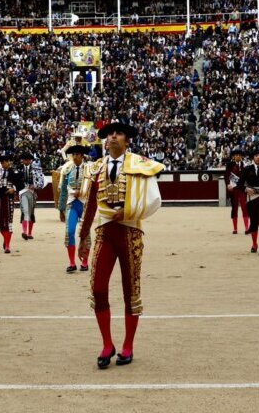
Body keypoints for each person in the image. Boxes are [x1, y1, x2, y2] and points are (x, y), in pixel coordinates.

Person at [78, 121, 164, 369]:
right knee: (98, 289)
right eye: (110, 134)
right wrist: (83, 236)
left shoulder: (140, 164)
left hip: (130, 232)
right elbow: (90, 205)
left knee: (131, 290)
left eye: (118, 134)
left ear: (127, 140)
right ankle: (107, 344)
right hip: (105, 232)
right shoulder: (95, 167)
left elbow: (154, 200)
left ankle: (128, 345)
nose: (113, 137)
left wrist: (127, 212)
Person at [57, 144, 94, 273]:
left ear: (82, 156)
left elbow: (93, 188)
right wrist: (61, 209)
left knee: (85, 233)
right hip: (71, 204)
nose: (74, 157)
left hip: (85, 205)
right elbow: (63, 190)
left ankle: (84, 262)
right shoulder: (67, 169)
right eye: (73, 154)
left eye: (77, 154)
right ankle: (72, 263)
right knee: (70, 232)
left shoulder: (90, 169)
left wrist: (83, 193)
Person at [17, 149, 46, 240]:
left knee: (31, 212)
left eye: (28, 159)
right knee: (25, 210)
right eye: (24, 159)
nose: (26, 161)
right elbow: (14, 181)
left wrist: (35, 186)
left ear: (30, 160)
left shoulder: (37, 169)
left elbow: (41, 181)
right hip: (22, 192)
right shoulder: (18, 169)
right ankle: (25, 232)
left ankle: (29, 233)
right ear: (22, 160)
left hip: (32, 192)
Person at [224, 149, 249, 234]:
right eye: (236, 155)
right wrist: (228, 184)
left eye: (239, 155)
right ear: (233, 156)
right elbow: (226, 175)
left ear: (242, 156)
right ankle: (235, 229)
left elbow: (247, 177)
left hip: (242, 189)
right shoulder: (230, 165)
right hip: (233, 189)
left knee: (245, 207)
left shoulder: (245, 165)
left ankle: (247, 228)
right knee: (234, 208)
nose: (238, 156)